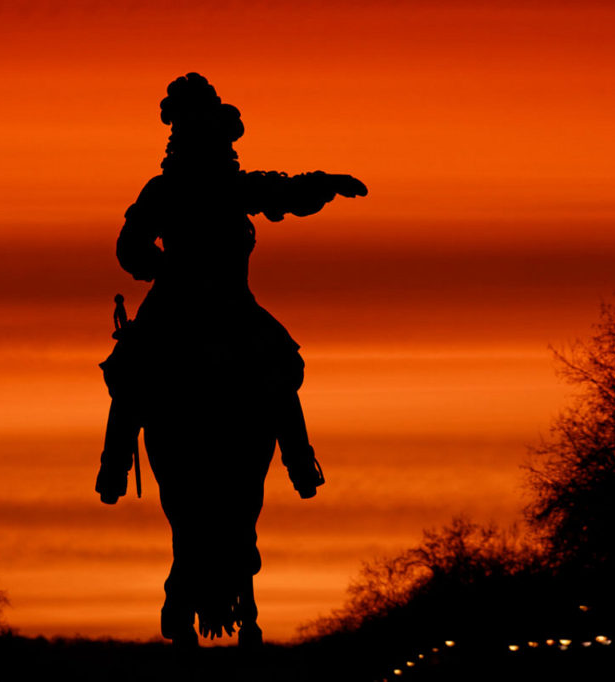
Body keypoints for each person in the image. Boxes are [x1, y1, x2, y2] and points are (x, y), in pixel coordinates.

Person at [95, 73, 366, 646]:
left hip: (204, 306)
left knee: (271, 366)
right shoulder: (181, 190)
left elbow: (282, 192)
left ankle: (292, 459)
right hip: (195, 306)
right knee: (146, 371)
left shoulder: (212, 186)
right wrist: (154, 266)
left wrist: (325, 183)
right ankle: (122, 462)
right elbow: (131, 247)